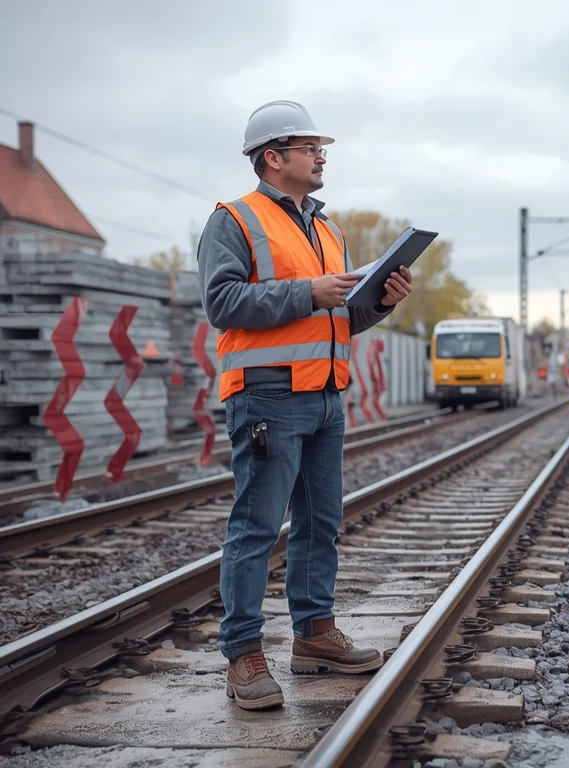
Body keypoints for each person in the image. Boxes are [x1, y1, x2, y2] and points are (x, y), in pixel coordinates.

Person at [197, 100, 414, 711]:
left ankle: (315, 635)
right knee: (257, 527)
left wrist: (381, 301)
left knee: (321, 523)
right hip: (267, 395)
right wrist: (308, 291)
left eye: (324, 149)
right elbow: (223, 303)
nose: (322, 157)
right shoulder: (233, 221)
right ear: (274, 157)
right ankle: (243, 654)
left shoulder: (328, 229)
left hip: (325, 396)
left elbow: (335, 316)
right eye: (311, 147)